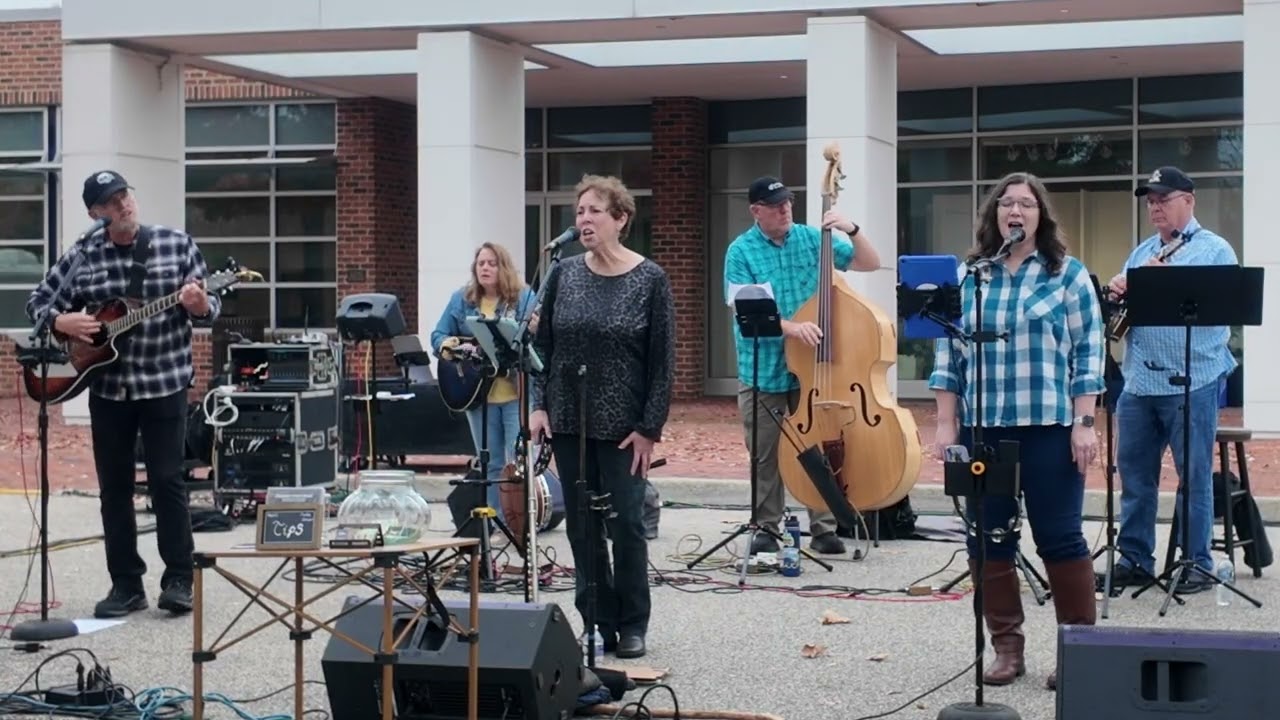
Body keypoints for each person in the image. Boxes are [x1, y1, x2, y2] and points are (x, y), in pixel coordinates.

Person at [928, 172, 1102, 690]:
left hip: (1050, 426)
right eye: (1006, 203)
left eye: (1026, 203)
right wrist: (946, 423)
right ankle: (1007, 648)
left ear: (1040, 215)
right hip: (985, 428)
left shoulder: (1067, 274)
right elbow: (947, 353)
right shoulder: (970, 276)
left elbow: (1089, 352)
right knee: (988, 537)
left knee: (1060, 536)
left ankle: (1078, 650)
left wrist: (1085, 423)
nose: (1015, 211)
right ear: (994, 215)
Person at [25, 170, 221, 619]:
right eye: (112, 202)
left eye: (125, 195)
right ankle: (126, 584)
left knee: (167, 481)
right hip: (109, 388)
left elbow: (209, 309)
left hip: (164, 382)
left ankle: (179, 580)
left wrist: (200, 305)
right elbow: (38, 303)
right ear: (96, 213)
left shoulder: (175, 244)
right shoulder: (83, 255)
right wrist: (61, 321)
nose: (124, 204)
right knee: (114, 488)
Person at [529, 174, 674, 659]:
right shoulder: (563, 273)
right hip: (570, 419)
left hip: (625, 427)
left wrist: (649, 428)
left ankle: (633, 623)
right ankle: (596, 620)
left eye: (594, 210)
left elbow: (662, 362)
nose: (584, 219)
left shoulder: (650, 279)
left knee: (627, 525)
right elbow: (542, 347)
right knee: (581, 526)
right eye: (579, 212)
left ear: (620, 218)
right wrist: (539, 405)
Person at [721, 176, 880, 556]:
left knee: (816, 449)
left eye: (788, 202)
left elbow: (870, 262)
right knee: (765, 455)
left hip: (812, 370)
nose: (785, 209)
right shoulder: (740, 251)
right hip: (764, 369)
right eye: (775, 205)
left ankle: (824, 528)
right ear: (756, 211)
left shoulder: (812, 239)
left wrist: (852, 229)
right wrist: (792, 328)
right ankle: (767, 527)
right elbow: (743, 307)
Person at [1105, 166, 1238, 594]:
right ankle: (1134, 558)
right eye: (1150, 201)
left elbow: (1224, 312)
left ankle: (1196, 562)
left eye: (1163, 199)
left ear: (1189, 200)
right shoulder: (1142, 252)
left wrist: (1168, 285)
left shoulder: (1214, 251)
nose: (1155, 207)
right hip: (1140, 381)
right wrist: (1120, 292)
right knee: (1135, 477)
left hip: (1192, 379)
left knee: (1193, 476)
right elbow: (1124, 318)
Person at [431, 242, 537, 522]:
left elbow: (537, 342)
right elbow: (438, 335)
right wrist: (449, 344)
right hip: (478, 396)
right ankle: (496, 523)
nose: (485, 268)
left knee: (517, 463)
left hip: (515, 394)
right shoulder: (461, 299)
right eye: (481, 263)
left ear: (504, 267)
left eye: (492, 263)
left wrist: (533, 331)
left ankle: (520, 524)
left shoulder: (523, 298)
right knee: (491, 463)